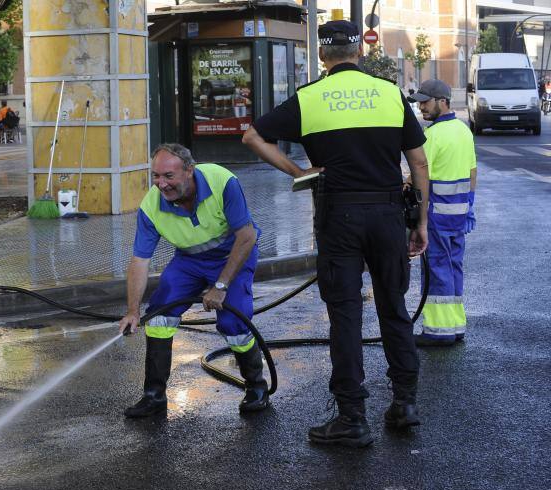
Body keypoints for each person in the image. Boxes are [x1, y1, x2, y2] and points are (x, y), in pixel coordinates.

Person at [242, 20, 430, 447]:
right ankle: (405, 404)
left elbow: (253, 135)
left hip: (338, 214)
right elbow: (418, 164)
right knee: (394, 309)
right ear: (358, 53)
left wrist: (300, 172)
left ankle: (351, 417)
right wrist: (420, 223)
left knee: (345, 314)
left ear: (322, 57)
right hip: (387, 214)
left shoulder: (309, 98)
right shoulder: (388, 94)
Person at [119, 143, 269, 418]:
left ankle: (256, 387)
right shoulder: (151, 206)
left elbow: (246, 237)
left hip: (233, 255)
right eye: (156, 176)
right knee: (159, 315)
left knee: (233, 323)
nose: (161, 184)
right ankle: (154, 397)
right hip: (189, 262)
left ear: (190, 170)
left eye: (168, 176)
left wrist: (221, 286)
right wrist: (132, 310)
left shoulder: (221, 181)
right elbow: (140, 261)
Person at [407, 80, 476, 347]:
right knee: (454, 268)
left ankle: (438, 331)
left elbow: (420, 174)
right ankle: (456, 326)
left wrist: (417, 214)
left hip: (436, 216)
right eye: (420, 101)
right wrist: (470, 207)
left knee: (437, 270)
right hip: (459, 215)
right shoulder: (464, 131)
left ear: (443, 101)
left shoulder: (432, 136)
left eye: (426, 101)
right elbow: (472, 172)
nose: (421, 106)